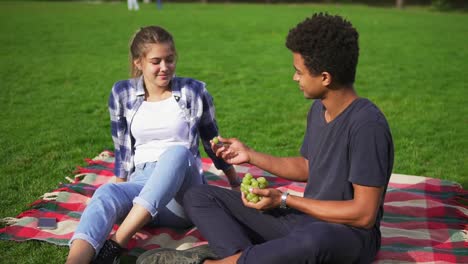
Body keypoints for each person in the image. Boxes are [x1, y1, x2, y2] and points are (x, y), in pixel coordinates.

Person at [136, 13, 394, 264]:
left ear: (325, 77)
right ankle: (250, 257)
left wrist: (284, 199)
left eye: (299, 72)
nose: (295, 78)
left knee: (314, 239)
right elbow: (307, 166)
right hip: (303, 220)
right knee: (199, 196)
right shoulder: (319, 109)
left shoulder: (367, 125)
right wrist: (250, 155)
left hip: (346, 236)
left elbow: (364, 214)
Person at [65, 26, 239, 264]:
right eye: (156, 61)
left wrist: (235, 183)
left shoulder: (194, 91)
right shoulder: (121, 93)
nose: (165, 67)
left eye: (169, 59)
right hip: (141, 188)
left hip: (181, 196)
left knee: (177, 152)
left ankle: (117, 243)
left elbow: (212, 142)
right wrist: (119, 190)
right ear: (139, 62)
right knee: (105, 192)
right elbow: (122, 149)